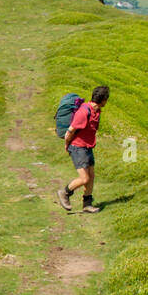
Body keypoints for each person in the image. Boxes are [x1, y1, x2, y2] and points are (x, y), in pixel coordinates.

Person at [58, 85, 109, 214]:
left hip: (87, 147)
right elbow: (70, 131)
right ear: (103, 100)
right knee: (84, 178)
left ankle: (87, 204)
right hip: (77, 148)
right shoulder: (83, 112)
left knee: (91, 176)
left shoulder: (96, 111)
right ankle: (64, 193)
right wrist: (67, 145)